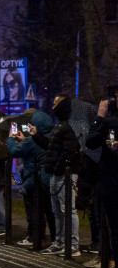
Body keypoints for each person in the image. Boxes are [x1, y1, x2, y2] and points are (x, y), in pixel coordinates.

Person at [42, 95, 82, 256]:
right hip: (57, 172)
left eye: (55, 104)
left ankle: (73, 245)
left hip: (64, 174)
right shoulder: (61, 124)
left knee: (68, 210)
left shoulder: (69, 125)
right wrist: (36, 136)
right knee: (57, 211)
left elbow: (69, 151)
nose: (52, 107)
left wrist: (59, 168)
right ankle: (59, 242)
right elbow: (53, 147)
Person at [8, 112, 56, 247]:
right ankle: (55, 240)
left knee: (34, 212)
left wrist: (11, 138)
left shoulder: (32, 141)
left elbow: (15, 150)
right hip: (47, 180)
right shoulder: (50, 138)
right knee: (50, 212)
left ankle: (35, 238)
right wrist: (25, 139)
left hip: (32, 179)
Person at [86, 96, 118, 268]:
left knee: (115, 226)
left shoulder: (109, 122)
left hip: (111, 181)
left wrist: (99, 117)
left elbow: (90, 141)